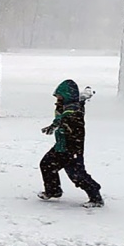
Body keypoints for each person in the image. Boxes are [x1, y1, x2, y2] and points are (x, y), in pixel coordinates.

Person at [38, 79, 104, 208]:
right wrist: (53, 126)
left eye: (60, 97)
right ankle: (53, 190)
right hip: (61, 146)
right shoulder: (66, 106)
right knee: (46, 164)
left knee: (77, 175)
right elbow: (61, 116)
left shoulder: (74, 111)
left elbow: (67, 117)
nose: (57, 100)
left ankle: (96, 197)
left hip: (72, 149)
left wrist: (59, 124)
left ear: (67, 97)